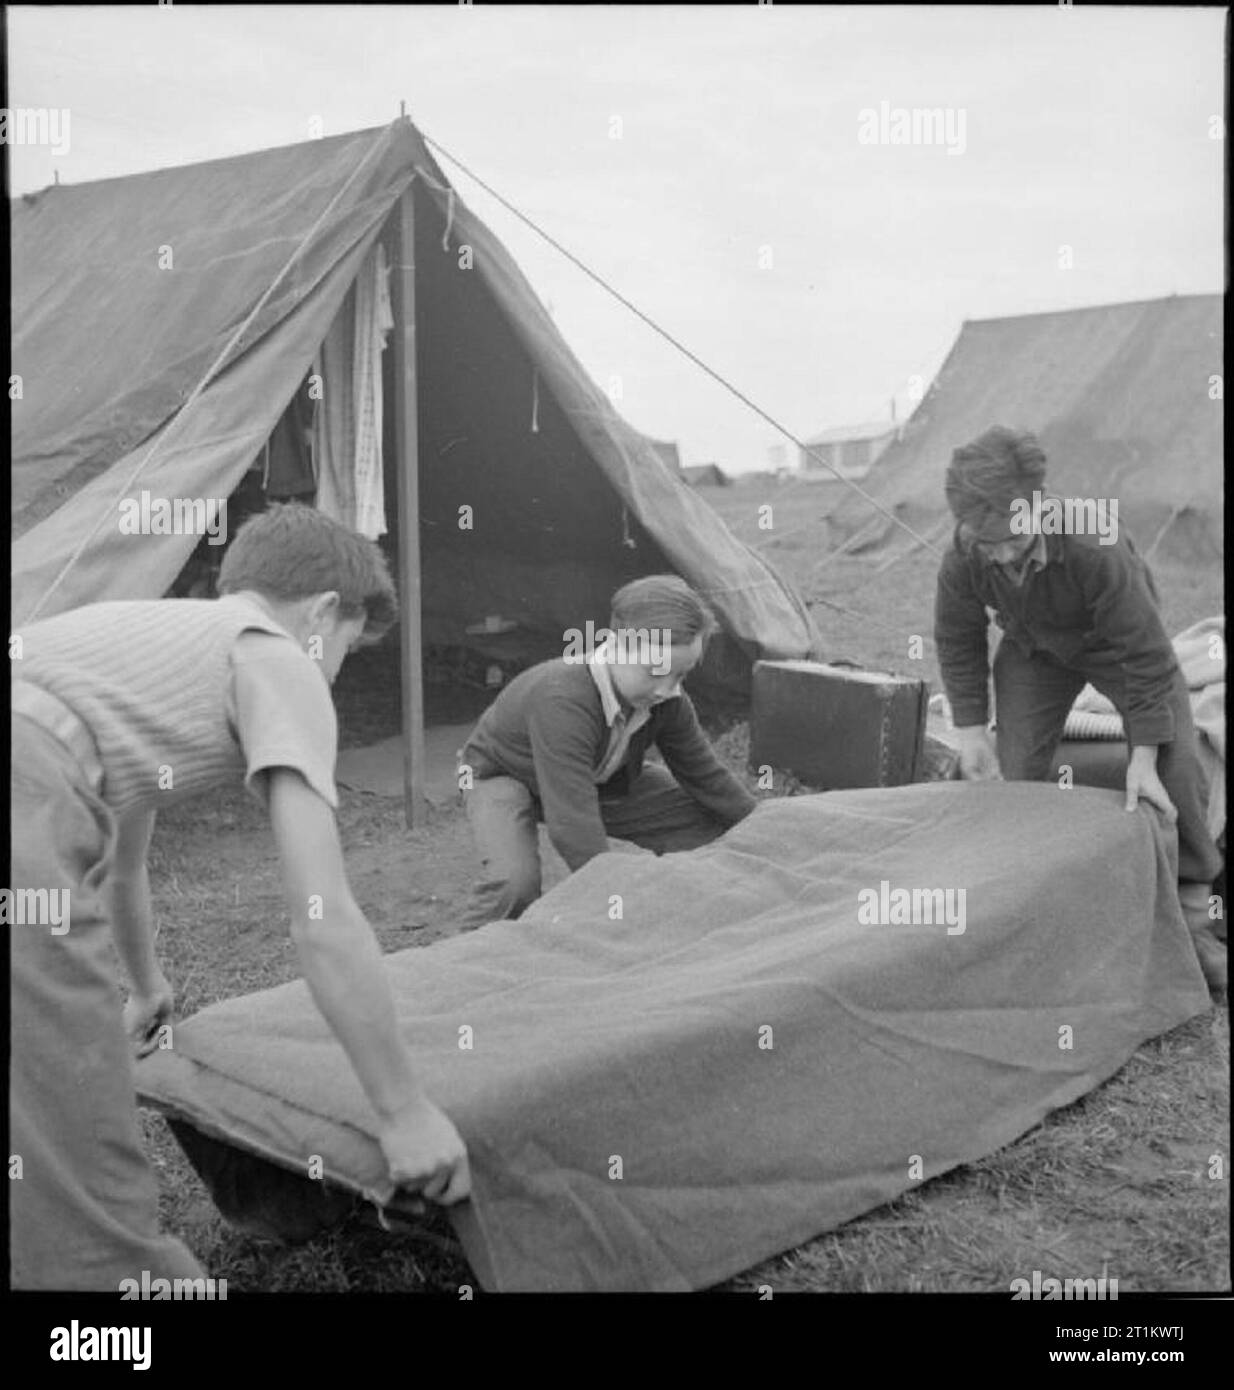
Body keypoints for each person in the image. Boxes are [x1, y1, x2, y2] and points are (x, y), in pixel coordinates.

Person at [10, 503, 469, 1291]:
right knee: (85, 1163)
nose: (334, 672)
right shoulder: (273, 654)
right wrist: (404, 1113)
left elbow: (123, 866)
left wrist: (147, 985)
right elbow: (322, 918)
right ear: (325, 613)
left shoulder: (146, 645)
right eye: (348, 652)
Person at [933, 426, 1225, 992]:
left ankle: (1193, 916)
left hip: (1114, 646)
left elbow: (1145, 654)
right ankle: (1037, 891)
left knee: (1176, 766)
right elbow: (956, 637)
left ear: (1039, 507)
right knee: (1015, 773)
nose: (997, 553)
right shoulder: (965, 550)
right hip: (1032, 650)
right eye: (984, 541)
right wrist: (970, 730)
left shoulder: (1097, 541)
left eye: (1008, 539)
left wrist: (1143, 756)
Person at [459, 574, 758, 925]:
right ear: (616, 647)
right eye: (654, 672)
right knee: (514, 883)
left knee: (710, 827)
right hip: (503, 775)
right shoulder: (563, 699)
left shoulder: (668, 700)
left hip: (599, 774)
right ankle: (467, 962)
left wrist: (766, 829)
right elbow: (573, 824)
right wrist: (613, 901)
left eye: (681, 675)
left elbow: (707, 778)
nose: (666, 688)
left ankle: (695, 917)